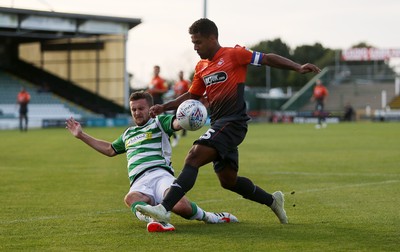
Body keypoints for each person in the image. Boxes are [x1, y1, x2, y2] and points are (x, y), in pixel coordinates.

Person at [136, 18, 321, 225]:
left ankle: (163, 208)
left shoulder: (235, 54)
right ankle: (272, 200)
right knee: (228, 180)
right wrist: (164, 106)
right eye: (193, 43)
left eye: (198, 42)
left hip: (234, 122)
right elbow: (192, 96)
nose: (195, 47)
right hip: (218, 124)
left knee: (193, 157)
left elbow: (267, 58)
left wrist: (297, 67)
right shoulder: (201, 67)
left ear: (212, 38)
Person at [65, 91, 238, 232]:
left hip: (161, 175)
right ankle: (159, 221)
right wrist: (81, 135)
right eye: (133, 109)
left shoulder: (159, 123)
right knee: (131, 198)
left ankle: (211, 217)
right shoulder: (128, 134)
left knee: (181, 206)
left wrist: (189, 116)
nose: (137, 112)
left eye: (141, 108)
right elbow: (110, 149)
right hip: (139, 181)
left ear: (150, 108)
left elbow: (177, 123)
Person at [173, 70, 191, 139]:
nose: (180, 75)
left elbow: (189, 91)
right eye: (180, 74)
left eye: (182, 74)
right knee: (176, 115)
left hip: (184, 102)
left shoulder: (186, 82)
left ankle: (184, 131)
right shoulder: (177, 83)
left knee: (184, 115)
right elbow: (175, 92)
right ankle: (176, 128)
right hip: (177, 102)